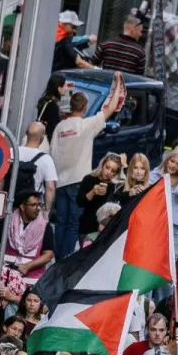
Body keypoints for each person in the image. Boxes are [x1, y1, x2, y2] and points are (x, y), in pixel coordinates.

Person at [50, 73, 126, 258]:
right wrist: (117, 84)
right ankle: (64, 260)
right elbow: (110, 108)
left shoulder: (60, 128)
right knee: (73, 223)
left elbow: (52, 152)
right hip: (78, 181)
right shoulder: (85, 125)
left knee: (60, 222)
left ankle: (57, 256)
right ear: (84, 108)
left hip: (60, 180)